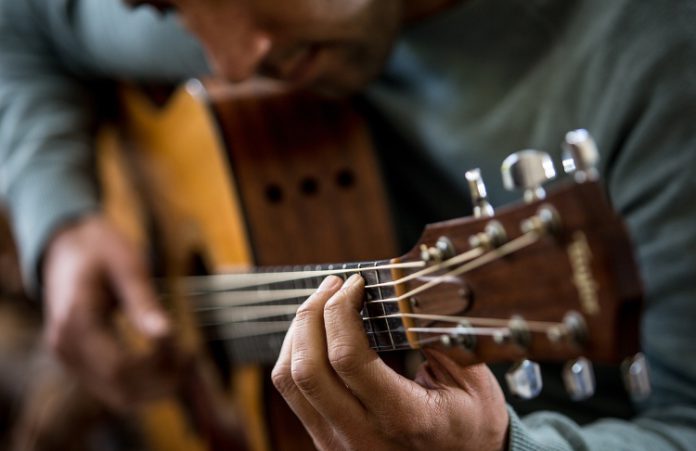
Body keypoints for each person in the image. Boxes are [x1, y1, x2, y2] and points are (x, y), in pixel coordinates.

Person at [1, 0, 695, 449]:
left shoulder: (660, 68)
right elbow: (17, 23)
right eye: (163, 5)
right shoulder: (234, 19)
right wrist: (60, 221)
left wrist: (501, 447)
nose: (233, 60)